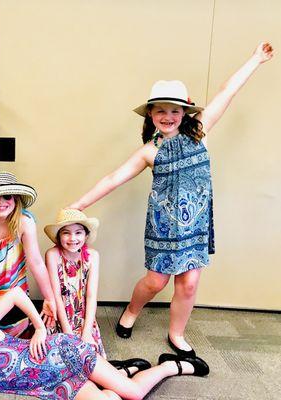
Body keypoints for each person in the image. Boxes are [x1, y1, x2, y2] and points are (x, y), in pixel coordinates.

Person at [69, 42, 274, 355]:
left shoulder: (200, 131)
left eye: (174, 110)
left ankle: (176, 334)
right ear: (150, 114)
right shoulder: (149, 151)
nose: (168, 116)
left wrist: (256, 59)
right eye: (160, 110)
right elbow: (113, 179)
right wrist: (78, 205)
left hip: (196, 223)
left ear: (185, 112)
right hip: (164, 226)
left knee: (189, 284)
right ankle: (132, 311)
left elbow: (227, 91)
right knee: (156, 282)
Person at [0, 287, 210, 400]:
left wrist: (39, 327)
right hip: (50, 385)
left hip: (64, 354)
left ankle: (171, 365)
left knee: (132, 395)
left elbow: (14, 294)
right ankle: (123, 371)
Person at [0, 171, 57, 336]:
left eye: (7, 196)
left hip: (17, 293)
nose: (1, 202)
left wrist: (49, 298)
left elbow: (36, 263)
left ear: (16, 199)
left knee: (17, 335)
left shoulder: (25, 223)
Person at [44, 208, 106, 358]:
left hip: (83, 313)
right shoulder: (52, 255)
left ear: (86, 235)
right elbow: (56, 295)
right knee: (57, 359)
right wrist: (68, 333)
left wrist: (86, 332)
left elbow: (91, 296)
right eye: (66, 232)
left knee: (89, 356)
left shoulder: (93, 256)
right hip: (60, 313)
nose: (73, 238)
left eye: (78, 232)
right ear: (59, 236)